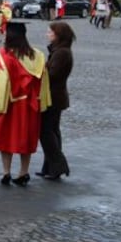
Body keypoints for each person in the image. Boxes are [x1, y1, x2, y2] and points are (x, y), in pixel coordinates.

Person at [0, 22, 51, 187]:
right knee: (26, 137)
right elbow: (43, 83)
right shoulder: (37, 56)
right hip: (30, 106)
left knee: (6, 137)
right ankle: (23, 172)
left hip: (9, 104)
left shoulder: (3, 55)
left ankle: (6, 172)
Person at [38, 22, 75, 180]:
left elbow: (52, 75)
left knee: (47, 132)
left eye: (50, 32)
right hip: (55, 96)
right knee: (52, 131)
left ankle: (58, 166)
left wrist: (40, 70)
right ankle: (50, 167)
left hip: (53, 97)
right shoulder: (58, 51)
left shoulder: (62, 53)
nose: (48, 34)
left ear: (58, 34)